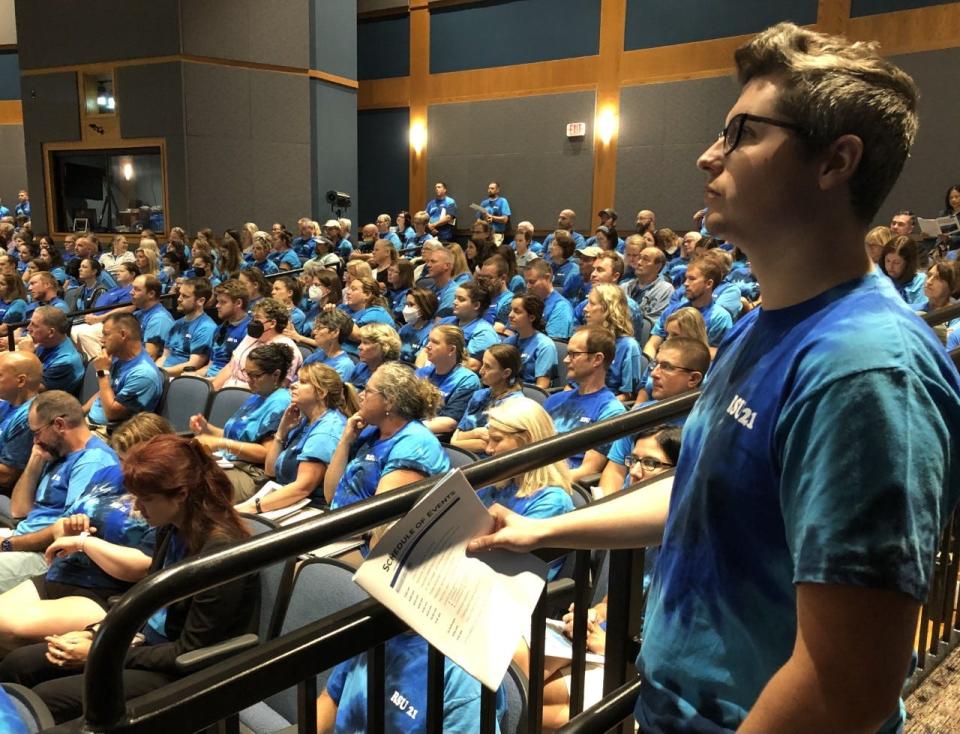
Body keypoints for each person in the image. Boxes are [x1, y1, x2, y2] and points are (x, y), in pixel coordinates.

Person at [470, 22, 960, 733]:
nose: (708, 157)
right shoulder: (764, 326)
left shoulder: (867, 371)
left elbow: (843, 686)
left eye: (742, 135)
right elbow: (707, 488)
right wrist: (545, 531)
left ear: (836, 162)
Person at [0, 434, 259, 724]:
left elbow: (190, 650)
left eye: (146, 499)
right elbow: (148, 602)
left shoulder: (218, 555)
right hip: (146, 646)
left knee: (50, 697)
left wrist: (103, 651)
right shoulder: (172, 526)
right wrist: (95, 633)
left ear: (181, 494)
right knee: (18, 665)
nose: (138, 507)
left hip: (183, 671)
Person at [0, 413, 173, 647]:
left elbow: (142, 568)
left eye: (134, 463)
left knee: (7, 629)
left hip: (102, 592)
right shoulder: (107, 474)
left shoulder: (162, 500)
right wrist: (70, 527)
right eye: (122, 460)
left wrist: (84, 543)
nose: (124, 471)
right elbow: (62, 523)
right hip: (61, 573)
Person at [0, 391, 120, 593]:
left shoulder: (92, 461)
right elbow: (19, 512)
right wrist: (34, 461)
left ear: (59, 425)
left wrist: (8, 545)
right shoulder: (58, 452)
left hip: (47, 556)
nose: (35, 440)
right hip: (22, 538)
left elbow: (66, 531)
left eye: (36, 433)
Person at [326, 362, 450, 516]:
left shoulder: (415, 443)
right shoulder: (370, 431)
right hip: (339, 526)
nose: (360, 395)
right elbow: (330, 495)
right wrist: (345, 441)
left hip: (362, 535)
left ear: (389, 402)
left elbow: (381, 520)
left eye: (368, 391)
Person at [235, 362, 354, 515]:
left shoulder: (328, 430)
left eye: (303, 382)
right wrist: (281, 432)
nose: (293, 385)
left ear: (322, 393)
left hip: (310, 508)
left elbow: (302, 488)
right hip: (284, 496)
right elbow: (270, 471)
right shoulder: (304, 420)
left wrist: (253, 508)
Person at [191, 343, 294, 501]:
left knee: (190, 484)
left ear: (275, 375)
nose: (249, 380)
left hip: (252, 475)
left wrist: (220, 443)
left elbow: (266, 454)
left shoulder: (280, 403)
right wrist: (207, 428)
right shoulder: (257, 396)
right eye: (247, 373)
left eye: (256, 375)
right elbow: (236, 437)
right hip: (229, 463)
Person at [542, 326, 625, 482]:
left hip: (561, 487)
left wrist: (543, 481)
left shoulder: (611, 411)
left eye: (574, 354)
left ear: (597, 359)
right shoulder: (554, 400)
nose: (566, 360)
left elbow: (588, 470)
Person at [84, 313, 165, 428]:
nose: (102, 340)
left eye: (106, 335)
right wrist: (81, 412)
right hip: (90, 423)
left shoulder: (143, 374)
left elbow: (111, 414)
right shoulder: (119, 359)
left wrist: (102, 373)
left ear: (123, 335)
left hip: (110, 433)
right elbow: (104, 392)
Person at [644, 256, 733, 358]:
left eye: (692, 279)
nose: (685, 283)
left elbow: (720, 354)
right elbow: (652, 344)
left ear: (709, 283)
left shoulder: (720, 317)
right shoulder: (673, 310)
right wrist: (650, 364)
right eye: (686, 278)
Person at [210, 298, 302, 390]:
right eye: (253, 317)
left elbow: (278, 387)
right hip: (227, 390)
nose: (252, 322)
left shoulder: (286, 348)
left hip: (250, 395)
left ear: (272, 323)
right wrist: (212, 392)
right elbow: (231, 366)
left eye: (257, 318)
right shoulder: (251, 337)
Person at [450, 344, 524, 455]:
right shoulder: (479, 395)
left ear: (506, 373)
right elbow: (454, 440)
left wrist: (465, 438)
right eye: (483, 364)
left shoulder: (514, 405)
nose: (481, 371)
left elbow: (485, 445)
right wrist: (477, 433)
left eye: (488, 367)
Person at [416, 326, 482, 437]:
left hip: (433, 437)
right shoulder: (422, 373)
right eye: (429, 340)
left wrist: (406, 428)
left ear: (451, 350)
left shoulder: (467, 380)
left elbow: (449, 423)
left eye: (435, 342)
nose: (428, 346)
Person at [582, 284, 643, 401]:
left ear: (609, 309)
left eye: (592, 303)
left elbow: (627, 395)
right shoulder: (584, 339)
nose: (585, 308)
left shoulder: (628, 346)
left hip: (606, 405)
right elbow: (572, 385)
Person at [155, 278, 216, 377]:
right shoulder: (177, 323)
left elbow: (193, 365)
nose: (179, 299)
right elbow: (164, 356)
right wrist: (154, 369)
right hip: (163, 374)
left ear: (200, 301)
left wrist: (160, 373)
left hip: (180, 378)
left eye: (185, 296)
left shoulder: (206, 327)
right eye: (180, 294)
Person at [18, 306, 84, 395]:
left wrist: (26, 356)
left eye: (34, 325)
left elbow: (32, 390)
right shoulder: (47, 342)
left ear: (51, 332)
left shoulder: (65, 362)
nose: (28, 328)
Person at [0, 352, 41, 490]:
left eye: (0, 376)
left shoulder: (28, 418)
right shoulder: (7, 402)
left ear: (21, 381)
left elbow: (7, 476)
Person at [503, 294, 558, 389]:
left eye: (517, 311)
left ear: (532, 317)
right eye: (511, 310)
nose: (510, 315)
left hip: (528, 397)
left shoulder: (544, 345)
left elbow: (542, 386)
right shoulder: (508, 342)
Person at [442, 280, 499, 371]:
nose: (454, 302)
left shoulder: (483, 333)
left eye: (461, 299)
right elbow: (426, 351)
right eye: (455, 298)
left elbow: (471, 365)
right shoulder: (445, 322)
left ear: (476, 305)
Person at [200, 279, 251, 379]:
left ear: (238, 303)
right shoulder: (219, 329)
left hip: (230, 383)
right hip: (210, 379)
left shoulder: (249, 330)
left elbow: (237, 371)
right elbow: (211, 366)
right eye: (218, 301)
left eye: (222, 302)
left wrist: (207, 382)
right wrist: (194, 375)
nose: (217, 306)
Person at [339, 275, 395, 356]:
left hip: (358, 357)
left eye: (354, 289)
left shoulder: (377, 313)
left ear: (367, 294)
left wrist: (337, 316)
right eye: (349, 288)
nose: (348, 292)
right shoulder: (343, 308)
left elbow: (357, 336)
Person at [623, 240, 674, 320]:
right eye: (639, 258)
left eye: (645, 260)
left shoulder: (665, 289)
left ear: (658, 266)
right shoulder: (625, 286)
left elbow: (656, 322)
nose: (639, 262)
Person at [523, 259, 575, 339]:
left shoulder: (561, 307)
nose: (528, 286)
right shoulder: (526, 301)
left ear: (547, 277)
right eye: (526, 282)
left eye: (532, 282)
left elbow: (554, 344)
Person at [301, 309, 356, 381]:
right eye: (315, 327)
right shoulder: (314, 357)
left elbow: (330, 391)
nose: (314, 332)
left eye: (319, 328)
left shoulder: (344, 366)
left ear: (335, 332)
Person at [130, 274, 174, 359]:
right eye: (132, 288)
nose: (131, 292)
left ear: (151, 294)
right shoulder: (138, 314)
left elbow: (150, 356)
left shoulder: (159, 319)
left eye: (136, 289)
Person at [349, 323, 401, 390]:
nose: (359, 347)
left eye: (365, 343)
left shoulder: (391, 377)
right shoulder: (361, 367)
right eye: (361, 342)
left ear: (383, 346)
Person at [879, 235, 926, 308]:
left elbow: (923, 310)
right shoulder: (879, 278)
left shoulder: (921, 281)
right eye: (887, 261)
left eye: (896, 262)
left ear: (908, 264)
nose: (890, 267)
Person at [398, 287, 437, 366]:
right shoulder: (404, 329)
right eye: (406, 304)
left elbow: (422, 364)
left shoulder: (433, 332)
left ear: (424, 306)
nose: (406, 308)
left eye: (411, 305)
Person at [547, 231, 581, 302]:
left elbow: (564, 292)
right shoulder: (549, 266)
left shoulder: (574, 271)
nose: (550, 247)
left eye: (554, 245)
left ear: (562, 249)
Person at [424, 247, 457, 318]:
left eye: (433, 261)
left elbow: (439, 322)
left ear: (446, 266)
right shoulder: (429, 289)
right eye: (428, 261)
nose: (428, 265)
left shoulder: (453, 292)